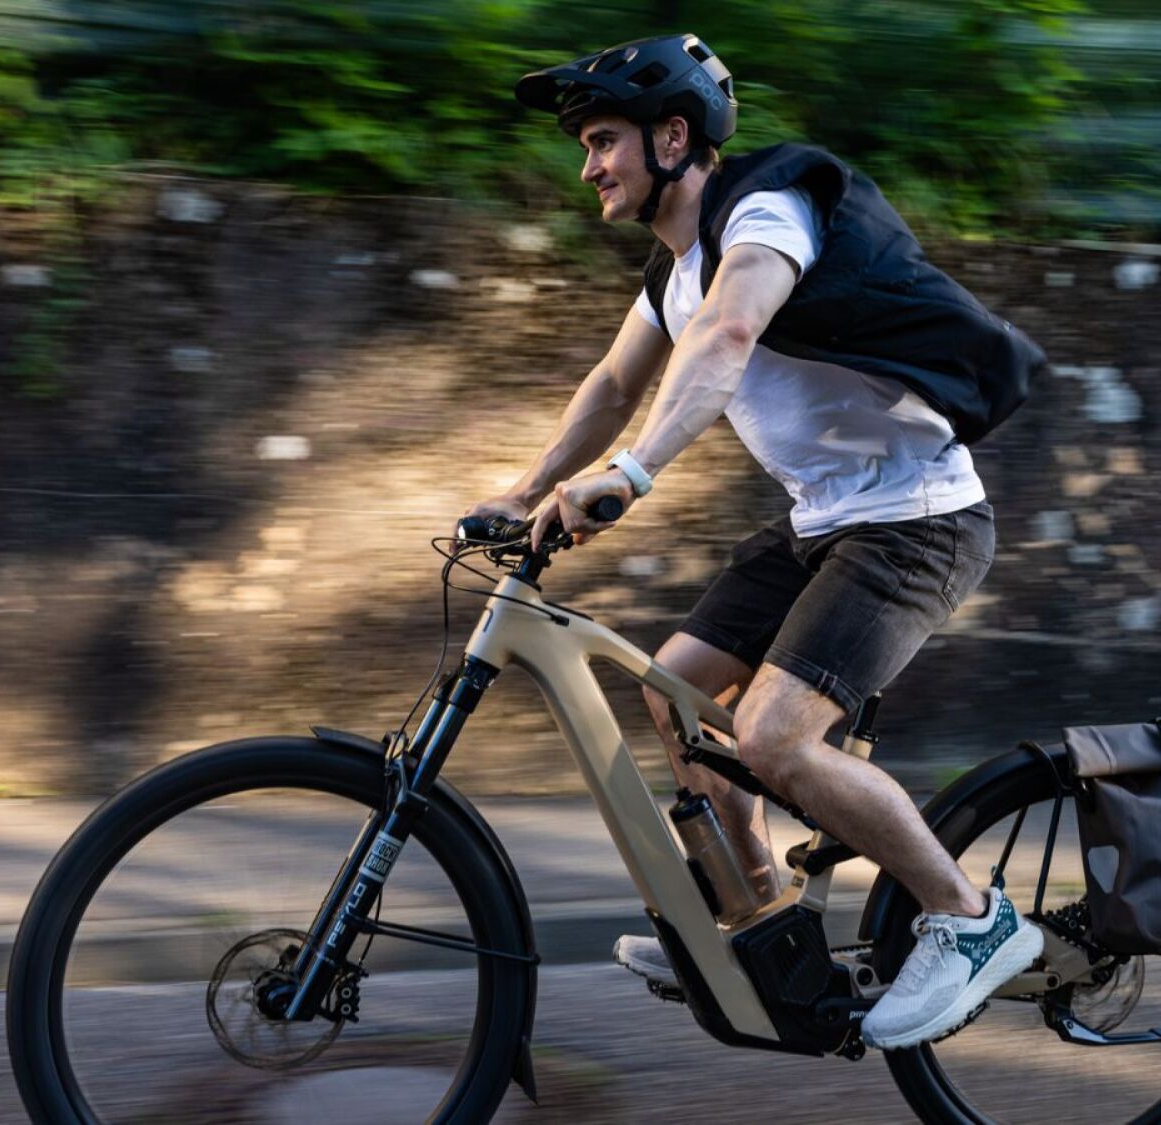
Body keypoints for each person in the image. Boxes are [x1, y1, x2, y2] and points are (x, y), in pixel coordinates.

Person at [470, 33, 1046, 1050]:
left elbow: (729, 334)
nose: (588, 167)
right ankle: (754, 919)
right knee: (675, 692)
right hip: (823, 520)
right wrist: (521, 493)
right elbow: (613, 384)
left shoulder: (766, 211)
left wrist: (632, 474)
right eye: (586, 146)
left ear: (672, 137)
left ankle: (969, 918)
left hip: (914, 521)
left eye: (603, 142)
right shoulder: (673, 271)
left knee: (774, 738)